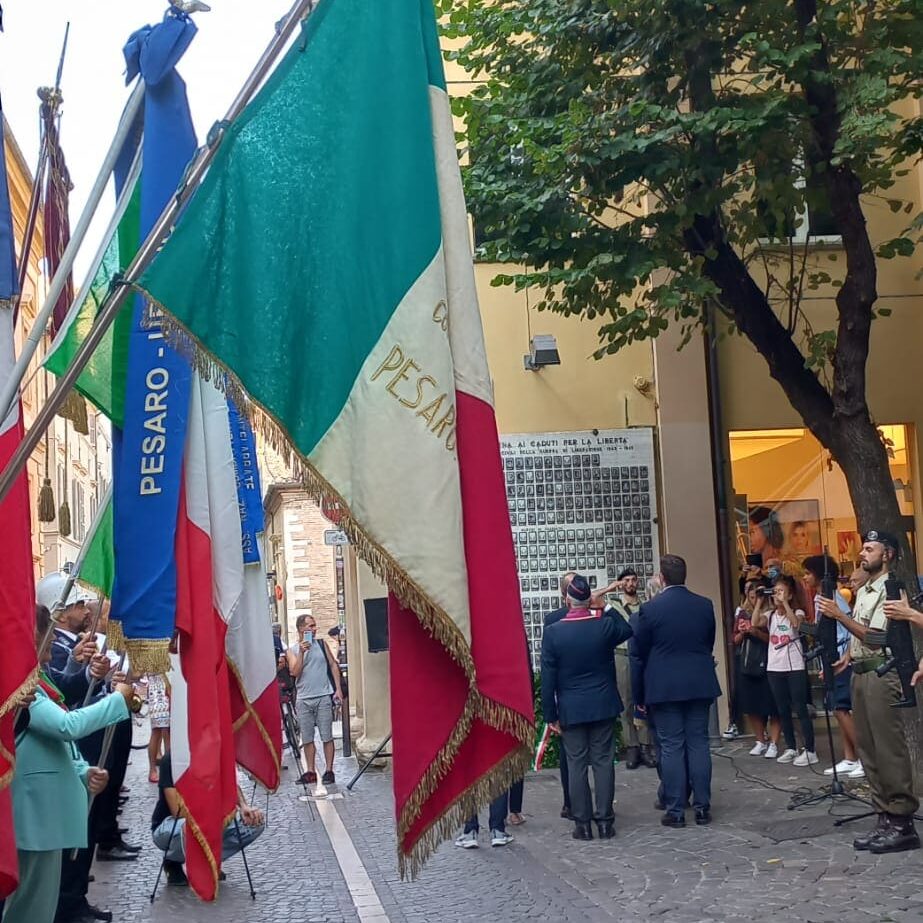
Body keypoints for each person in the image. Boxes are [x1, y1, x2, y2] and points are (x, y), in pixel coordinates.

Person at [3, 606, 132, 923]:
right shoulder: (19, 682)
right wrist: (118, 700)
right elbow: (65, 726)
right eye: (44, 646)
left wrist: (82, 771)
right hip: (33, 815)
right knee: (26, 908)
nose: (48, 656)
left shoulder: (38, 678)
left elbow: (54, 744)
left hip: (46, 815)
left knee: (41, 907)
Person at [819, 530, 919, 853]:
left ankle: (902, 821)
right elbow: (861, 636)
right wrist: (848, 655)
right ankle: (884, 817)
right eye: (863, 548)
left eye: (869, 549)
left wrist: (839, 616)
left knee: (888, 749)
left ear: (887, 555)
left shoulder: (891, 590)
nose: (862, 553)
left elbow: (876, 638)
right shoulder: (863, 590)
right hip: (861, 672)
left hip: (882, 672)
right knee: (868, 749)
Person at [632, 554, 721, 828]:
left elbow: (640, 653)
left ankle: (676, 810)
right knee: (699, 743)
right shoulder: (704, 605)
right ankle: (702, 807)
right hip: (699, 681)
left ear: (662, 578)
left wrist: (639, 695)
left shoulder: (650, 610)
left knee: (671, 746)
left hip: (665, 686)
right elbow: (708, 642)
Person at [541, 574, 632, 840]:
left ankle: (582, 824)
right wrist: (605, 606)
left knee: (576, 764)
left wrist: (550, 715)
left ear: (567, 600)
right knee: (603, 762)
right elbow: (627, 629)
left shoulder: (554, 632)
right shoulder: (602, 625)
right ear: (587, 599)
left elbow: (548, 678)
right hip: (602, 704)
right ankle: (604, 822)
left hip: (571, 708)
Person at [150, 750, 265, 886]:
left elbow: (229, 783)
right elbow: (177, 810)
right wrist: (212, 814)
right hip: (171, 824)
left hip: (209, 818)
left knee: (255, 823)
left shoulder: (213, 751)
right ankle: (172, 861)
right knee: (189, 827)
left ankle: (208, 860)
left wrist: (244, 806)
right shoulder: (171, 759)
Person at [801, 555, 863, 779]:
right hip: (830, 657)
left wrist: (844, 656)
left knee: (840, 707)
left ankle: (864, 758)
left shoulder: (834, 599)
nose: (805, 578)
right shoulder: (820, 598)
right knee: (837, 708)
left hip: (840, 659)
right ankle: (850, 756)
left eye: (808, 573)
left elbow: (847, 628)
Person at [753, 575, 817, 766]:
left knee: (800, 707)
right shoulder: (770, 615)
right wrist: (759, 601)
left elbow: (796, 624)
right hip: (774, 667)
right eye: (775, 591)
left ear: (789, 595)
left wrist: (785, 604)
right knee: (782, 709)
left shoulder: (797, 611)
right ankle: (791, 747)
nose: (777, 595)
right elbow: (755, 623)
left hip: (794, 666)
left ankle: (810, 750)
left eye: (781, 591)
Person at [286, 614, 344, 785]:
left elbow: (333, 664)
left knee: (327, 735)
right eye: (310, 626)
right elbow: (295, 672)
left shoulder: (321, 644)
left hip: (323, 695)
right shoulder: (292, 650)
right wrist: (302, 653)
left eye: (314, 626)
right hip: (304, 698)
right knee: (307, 737)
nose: (314, 629)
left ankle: (329, 770)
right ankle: (310, 771)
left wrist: (338, 689)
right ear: (301, 629)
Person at [611, 568, 655, 770]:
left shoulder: (645, 605)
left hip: (643, 656)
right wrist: (612, 587)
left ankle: (646, 746)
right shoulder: (614, 604)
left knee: (643, 701)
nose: (630, 584)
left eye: (633, 580)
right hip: (622, 655)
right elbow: (593, 599)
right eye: (626, 580)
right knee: (626, 702)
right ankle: (632, 747)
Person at [733, 580, 781, 758]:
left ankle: (774, 742)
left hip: (769, 662)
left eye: (757, 597)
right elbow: (734, 640)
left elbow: (774, 639)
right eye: (752, 597)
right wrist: (743, 632)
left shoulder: (772, 613)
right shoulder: (742, 613)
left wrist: (756, 633)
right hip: (748, 663)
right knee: (752, 705)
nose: (754, 600)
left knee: (773, 705)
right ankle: (760, 740)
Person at [544, 571, 577, 818]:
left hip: (568, 700)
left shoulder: (553, 621)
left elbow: (549, 669)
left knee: (571, 757)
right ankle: (579, 802)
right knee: (593, 758)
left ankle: (573, 803)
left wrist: (550, 713)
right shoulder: (553, 620)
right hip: (586, 698)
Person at [146, 673, 171, 783]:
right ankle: (152, 769)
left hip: (168, 687)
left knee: (168, 731)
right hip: (158, 690)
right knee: (156, 730)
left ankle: (168, 767)